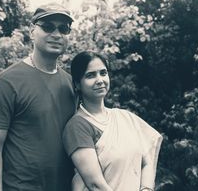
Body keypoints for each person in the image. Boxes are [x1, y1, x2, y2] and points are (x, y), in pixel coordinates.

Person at [0, 2, 76, 191]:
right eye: (48, 27)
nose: (56, 34)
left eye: (63, 29)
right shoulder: (7, 82)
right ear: (32, 31)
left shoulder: (72, 84)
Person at [63, 51, 163, 191]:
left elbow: (147, 160)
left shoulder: (125, 118)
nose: (99, 80)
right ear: (77, 85)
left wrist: (146, 188)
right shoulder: (77, 126)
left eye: (103, 73)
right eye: (90, 75)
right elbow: (95, 184)